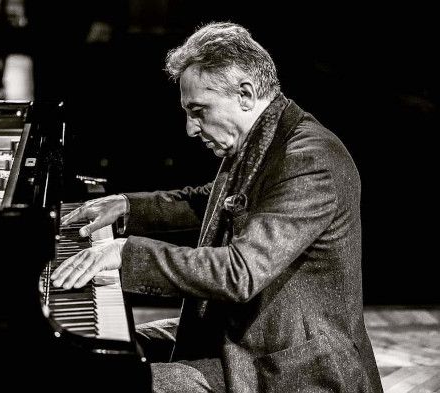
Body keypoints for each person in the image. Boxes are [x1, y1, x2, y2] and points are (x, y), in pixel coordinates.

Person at [51, 22, 383, 393]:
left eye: (198, 110)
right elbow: (211, 201)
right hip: (239, 335)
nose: (191, 129)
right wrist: (127, 206)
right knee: (100, 354)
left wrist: (127, 254)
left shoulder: (309, 159)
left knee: (107, 381)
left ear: (245, 93)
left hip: (292, 366)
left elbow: (240, 272)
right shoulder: (260, 138)